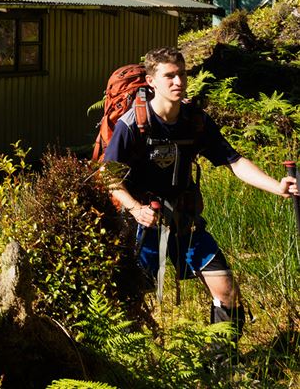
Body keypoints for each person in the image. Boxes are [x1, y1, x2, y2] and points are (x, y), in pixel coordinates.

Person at [103, 47, 298, 336]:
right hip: (143, 224)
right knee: (130, 300)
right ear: (151, 81)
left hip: (185, 221)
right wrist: (135, 208)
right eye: (169, 76)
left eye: (182, 74)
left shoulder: (195, 121)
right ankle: (127, 356)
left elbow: (234, 161)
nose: (178, 82)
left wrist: (276, 186)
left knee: (227, 291)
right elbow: (109, 175)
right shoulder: (133, 123)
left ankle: (221, 358)